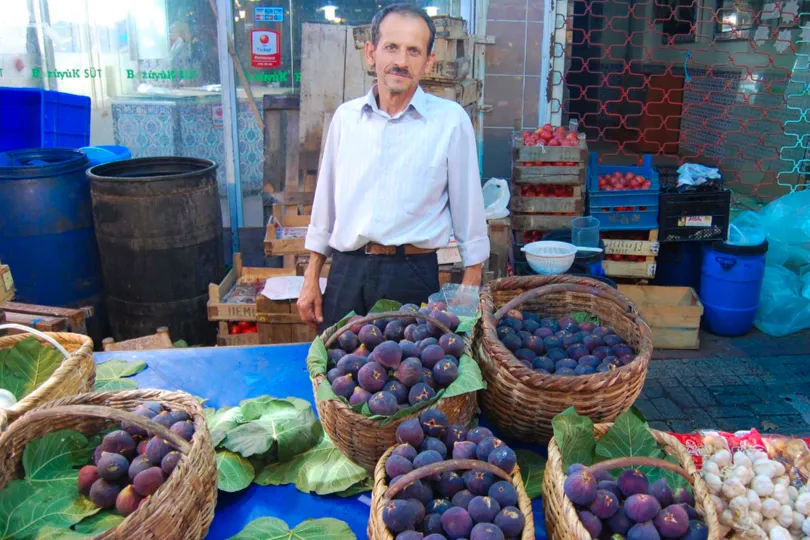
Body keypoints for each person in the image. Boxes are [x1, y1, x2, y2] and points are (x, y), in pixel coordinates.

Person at [297, 3, 490, 332]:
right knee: (338, 372)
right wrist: (311, 275)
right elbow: (325, 205)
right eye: (391, 47)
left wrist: (470, 282)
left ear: (428, 60)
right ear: (371, 53)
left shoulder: (449, 121)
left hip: (411, 273)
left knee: (409, 375)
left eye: (414, 51)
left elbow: (468, 209)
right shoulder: (347, 119)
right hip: (347, 271)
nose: (401, 61)